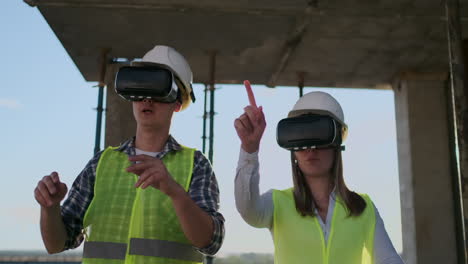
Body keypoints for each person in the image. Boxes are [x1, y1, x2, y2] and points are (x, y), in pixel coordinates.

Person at [34, 45, 224, 263]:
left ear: (177, 104)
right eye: (141, 87)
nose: (147, 99)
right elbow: (56, 243)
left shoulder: (196, 165)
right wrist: (49, 209)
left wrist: (175, 192)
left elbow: (211, 241)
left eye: (158, 89)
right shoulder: (101, 164)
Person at [234, 82, 404, 264]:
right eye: (302, 138)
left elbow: (389, 260)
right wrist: (249, 149)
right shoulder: (276, 203)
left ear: (337, 143)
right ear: (293, 148)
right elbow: (248, 210)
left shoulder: (364, 208)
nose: (310, 149)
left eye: (319, 136)